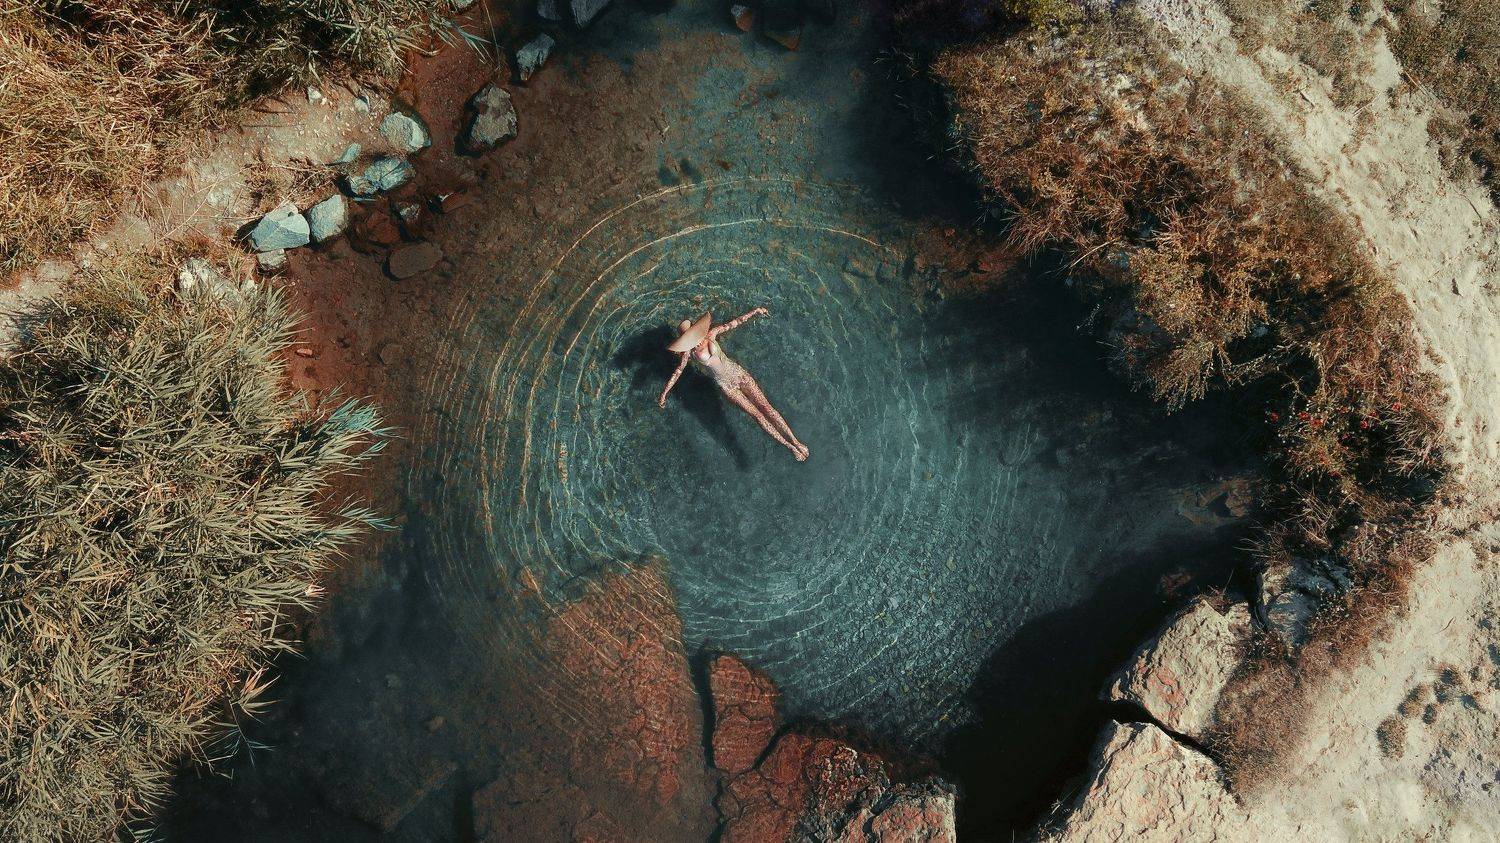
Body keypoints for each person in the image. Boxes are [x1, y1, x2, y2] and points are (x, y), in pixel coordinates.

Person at [658, 308, 809, 461]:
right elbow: (677, 373)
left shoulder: (712, 334)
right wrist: (665, 393)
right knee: (757, 416)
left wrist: (755, 312)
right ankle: (789, 446)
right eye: (689, 341)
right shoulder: (688, 354)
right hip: (727, 387)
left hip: (739, 375)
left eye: (693, 337)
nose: (695, 343)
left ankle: (796, 441)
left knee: (767, 408)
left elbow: (734, 323)